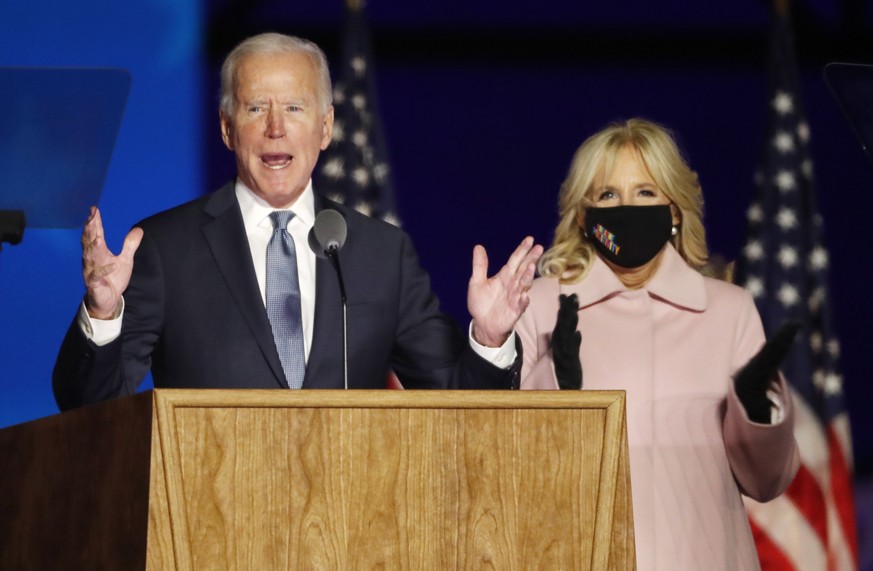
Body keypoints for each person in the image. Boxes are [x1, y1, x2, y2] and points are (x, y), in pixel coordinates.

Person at [52, 32, 542, 410]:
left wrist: (491, 339)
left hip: (350, 519)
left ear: (325, 127)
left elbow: (457, 399)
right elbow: (91, 406)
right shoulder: (166, 247)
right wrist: (101, 315)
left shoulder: (380, 254)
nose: (275, 127)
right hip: (211, 520)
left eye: (293, 107)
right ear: (227, 128)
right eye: (255, 107)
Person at [516, 118, 800, 570]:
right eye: (608, 195)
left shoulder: (728, 310)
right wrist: (555, 385)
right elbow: (508, 461)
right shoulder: (540, 305)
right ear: (584, 216)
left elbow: (767, 482)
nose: (626, 208)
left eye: (646, 192)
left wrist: (756, 415)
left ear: (673, 210)